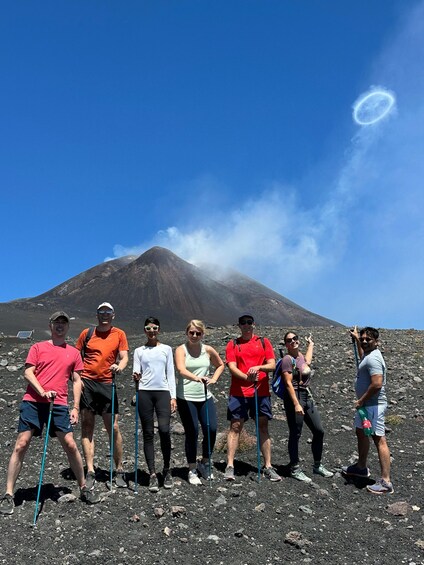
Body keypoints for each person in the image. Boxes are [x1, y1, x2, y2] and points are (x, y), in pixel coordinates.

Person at [0, 312, 99, 515]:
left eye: (64, 322)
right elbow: (28, 372)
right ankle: (9, 494)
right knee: (21, 444)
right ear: (50, 325)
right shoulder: (38, 347)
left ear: (67, 327)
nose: (60, 325)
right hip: (34, 402)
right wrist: (42, 391)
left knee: (70, 445)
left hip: (60, 404)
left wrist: (75, 407)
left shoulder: (73, 353)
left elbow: (77, 380)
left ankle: (83, 487)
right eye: (57, 322)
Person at [75, 302, 129, 490]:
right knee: (87, 426)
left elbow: (124, 357)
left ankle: (119, 469)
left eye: (108, 312)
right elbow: (76, 356)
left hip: (107, 384)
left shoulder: (119, 334)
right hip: (87, 383)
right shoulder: (87, 334)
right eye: (101, 312)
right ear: (97, 314)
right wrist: (78, 378)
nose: (105, 314)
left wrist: (120, 367)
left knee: (112, 427)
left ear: (113, 315)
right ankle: (90, 470)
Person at [224, 314, 281, 481]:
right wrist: (246, 377)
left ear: (253, 324)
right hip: (239, 392)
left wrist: (258, 367)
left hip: (260, 392)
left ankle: (268, 466)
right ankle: (230, 465)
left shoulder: (263, 342)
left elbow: (272, 364)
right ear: (239, 326)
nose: (247, 326)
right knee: (235, 427)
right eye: (243, 323)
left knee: (263, 427)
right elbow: (232, 367)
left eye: (249, 323)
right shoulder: (233, 344)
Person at [343, 326, 393, 494]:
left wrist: (361, 400)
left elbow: (377, 383)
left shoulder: (374, 359)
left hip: (372, 405)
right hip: (366, 406)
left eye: (368, 339)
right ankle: (361, 467)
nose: (364, 341)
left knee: (379, 439)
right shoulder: (369, 355)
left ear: (376, 342)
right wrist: (356, 339)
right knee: (361, 432)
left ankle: (386, 481)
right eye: (363, 339)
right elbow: (362, 355)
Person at [175, 320, 224, 485]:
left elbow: (220, 365)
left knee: (211, 429)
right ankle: (192, 469)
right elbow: (181, 369)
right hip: (186, 397)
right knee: (192, 431)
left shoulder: (208, 350)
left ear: (203, 334)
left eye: (198, 333)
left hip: (205, 396)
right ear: (186, 333)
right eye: (191, 333)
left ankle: (205, 461)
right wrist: (197, 378)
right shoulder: (181, 350)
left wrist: (214, 379)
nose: (194, 336)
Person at [280, 331, 333, 482]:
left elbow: (307, 361)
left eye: (295, 339)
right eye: (289, 340)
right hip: (294, 397)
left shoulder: (300, 357)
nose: (293, 341)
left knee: (319, 430)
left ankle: (317, 465)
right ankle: (294, 468)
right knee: (295, 433)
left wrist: (311, 344)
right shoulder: (287, 360)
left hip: (306, 396)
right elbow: (288, 383)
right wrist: (296, 404)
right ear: (286, 344)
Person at [132, 317, 176, 492]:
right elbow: (136, 371)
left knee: (164, 430)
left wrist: (173, 397)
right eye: (148, 328)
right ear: (145, 330)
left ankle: (166, 469)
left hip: (163, 392)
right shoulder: (138, 351)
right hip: (144, 392)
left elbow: (171, 373)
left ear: (159, 330)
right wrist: (136, 376)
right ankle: (152, 473)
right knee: (148, 433)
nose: (152, 331)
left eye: (155, 328)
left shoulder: (166, 349)